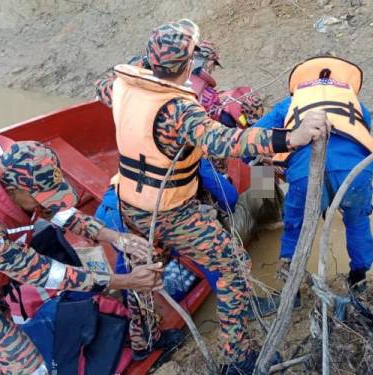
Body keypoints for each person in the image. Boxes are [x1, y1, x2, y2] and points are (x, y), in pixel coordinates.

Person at [96, 19, 329, 374]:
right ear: (190, 67)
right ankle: (236, 358)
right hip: (177, 211)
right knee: (233, 266)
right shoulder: (181, 109)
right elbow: (228, 148)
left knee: (142, 274)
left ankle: (144, 342)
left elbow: (104, 86)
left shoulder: (121, 86)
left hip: (130, 205)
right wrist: (289, 138)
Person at [0, 133, 163, 375]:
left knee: (2, 331)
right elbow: (44, 273)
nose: (47, 203)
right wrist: (126, 281)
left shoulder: (14, 179)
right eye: (42, 197)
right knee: (27, 362)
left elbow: (60, 213)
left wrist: (116, 237)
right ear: (13, 191)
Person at [253, 56, 373, 292]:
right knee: (358, 220)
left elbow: (251, 138)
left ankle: (289, 277)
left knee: (294, 226)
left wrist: (264, 158)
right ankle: (359, 279)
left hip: (303, 170)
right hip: (356, 171)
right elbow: (362, 133)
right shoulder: (354, 102)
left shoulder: (288, 103)